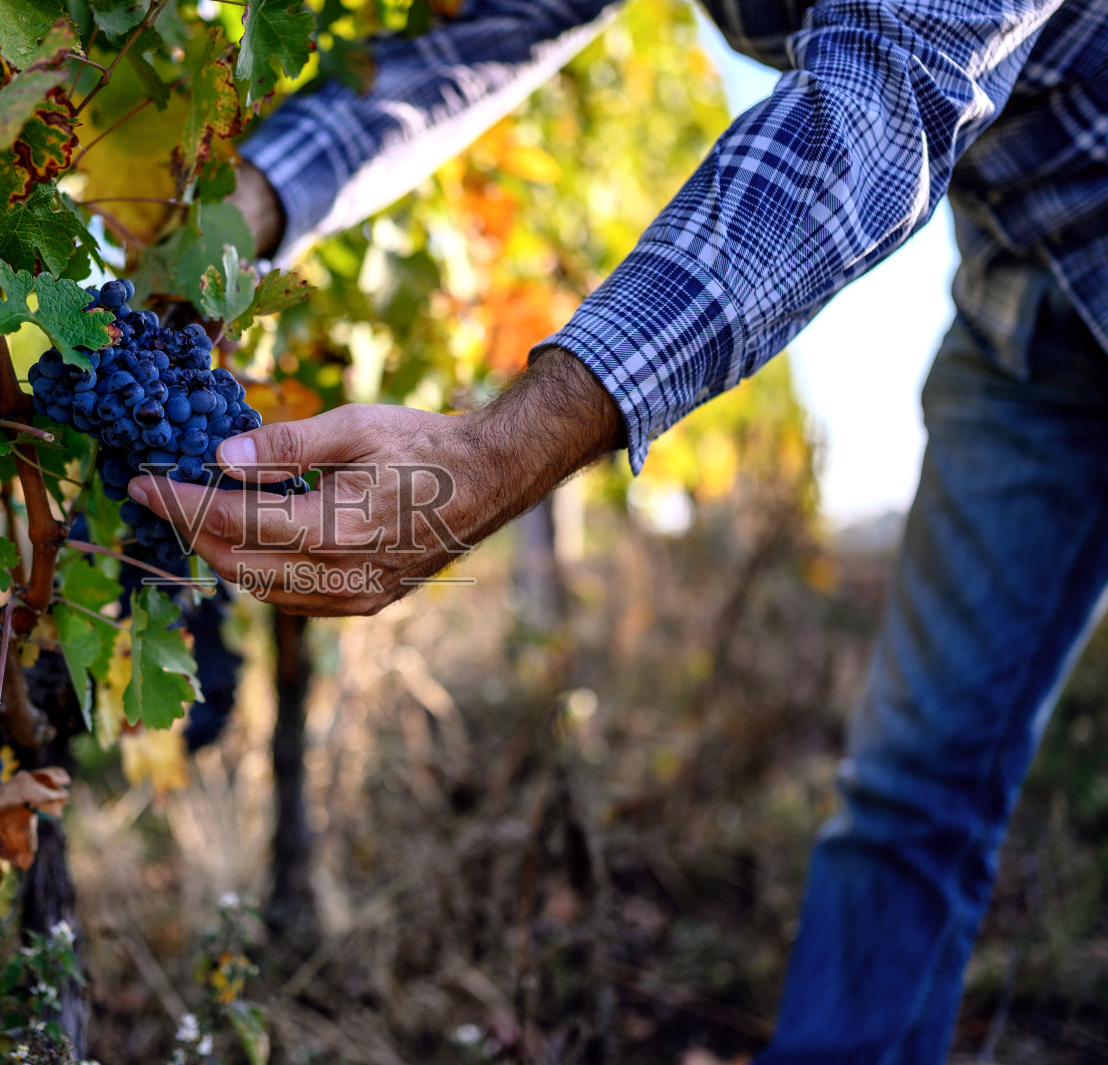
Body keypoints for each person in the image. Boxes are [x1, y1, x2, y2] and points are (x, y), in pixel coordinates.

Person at [127, 0, 1108, 1060]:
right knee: (913, 791)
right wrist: (232, 218)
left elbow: (881, 93)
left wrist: (498, 450)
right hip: (1025, 318)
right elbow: (474, 38)